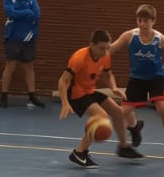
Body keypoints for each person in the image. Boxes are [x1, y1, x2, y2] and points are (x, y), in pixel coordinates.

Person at [112, 5, 164, 161]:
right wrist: (95, 55)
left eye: (146, 21)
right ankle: (133, 128)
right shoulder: (129, 36)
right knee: (123, 112)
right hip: (137, 79)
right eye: (139, 20)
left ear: (153, 21)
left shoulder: (160, 38)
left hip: (156, 78)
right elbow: (110, 49)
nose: (142, 24)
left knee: (163, 108)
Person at [58, 30, 142, 167]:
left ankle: (123, 147)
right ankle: (79, 152)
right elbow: (63, 81)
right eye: (102, 48)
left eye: (107, 48)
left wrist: (113, 87)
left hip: (89, 91)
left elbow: (108, 74)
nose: (105, 52)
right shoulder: (79, 58)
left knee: (118, 112)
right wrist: (65, 103)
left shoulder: (105, 56)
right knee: (101, 116)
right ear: (92, 45)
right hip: (75, 94)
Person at [0, 0, 44, 110]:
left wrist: (20, 13)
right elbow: (11, 13)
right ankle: (4, 96)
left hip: (29, 38)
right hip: (13, 37)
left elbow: (36, 14)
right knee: (10, 66)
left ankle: (32, 96)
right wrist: (26, 12)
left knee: (29, 67)